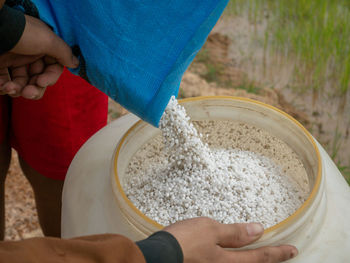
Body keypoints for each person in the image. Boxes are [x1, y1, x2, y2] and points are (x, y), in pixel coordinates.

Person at [0, 2, 298, 262]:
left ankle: (66, 240)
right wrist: (161, 253)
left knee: (62, 162)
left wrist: (9, 28)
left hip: (67, 19)